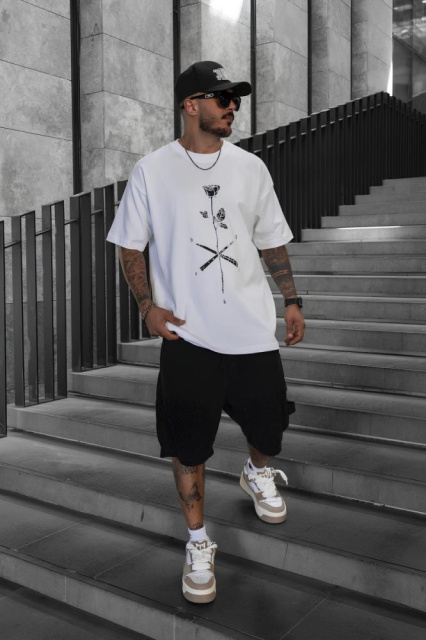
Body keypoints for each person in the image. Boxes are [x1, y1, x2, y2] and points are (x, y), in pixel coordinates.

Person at [107, 60, 305, 605]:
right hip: (188, 337)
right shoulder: (152, 171)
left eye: (235, 98)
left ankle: (257, 472)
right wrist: (146, 306)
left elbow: (271, 239)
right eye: (222, 98)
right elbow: (130, 244)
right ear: (190, 105)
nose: (232, 106)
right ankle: (197, 542)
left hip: (251, 330)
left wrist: (291, 299)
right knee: (187, 443)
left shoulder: (251, 168)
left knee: (269, 427)